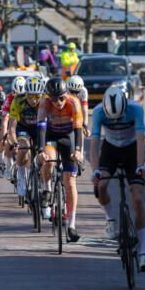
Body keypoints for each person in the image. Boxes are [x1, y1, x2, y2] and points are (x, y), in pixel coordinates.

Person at [90, 83, 145, 270]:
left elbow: (141, 140)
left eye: (119, 117)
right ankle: (110, 219)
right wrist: (95, 170)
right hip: (111, 150)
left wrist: (141, 166)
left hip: (132, 150)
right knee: (101, 186)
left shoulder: (135, 109)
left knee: (137, 199)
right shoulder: (98, 112)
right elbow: (94, 145)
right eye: (112, 118)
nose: (116, 121)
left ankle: (143, 252)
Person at [37, 76, 84, 241]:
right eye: (54, 99)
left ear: (67, 95)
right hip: (51, 136)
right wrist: (40, 151)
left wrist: (78, 151)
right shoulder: (44, 103)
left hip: (68, 138)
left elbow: (78, 130)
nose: (58, 102)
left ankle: (71, 226)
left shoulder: (74, 102)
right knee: (49, 160)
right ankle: (47, 189)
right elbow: (41, 129)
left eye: (62, 98)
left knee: (70, 183)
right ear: (49, 97)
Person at [7, 75, 45, 198]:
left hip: (40, 128)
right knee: (23, 149)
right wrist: (14, 143)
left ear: (41, 95)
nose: (34, 100)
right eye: (31, 96)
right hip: (23, 128)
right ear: (26, 93)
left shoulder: (46, 101)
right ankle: (21, 177)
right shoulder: (18, 101)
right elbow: (12, 127)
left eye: (37, 96)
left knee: (46, 153)